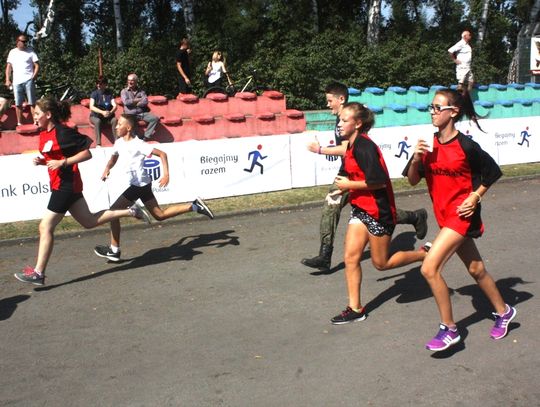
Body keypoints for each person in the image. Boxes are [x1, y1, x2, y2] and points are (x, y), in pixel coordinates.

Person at [404, 89, 516, 351]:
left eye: (437, 108)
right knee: (476, 269)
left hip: (461, 217)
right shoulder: (428, 146)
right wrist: (416, 159)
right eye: (430, 107)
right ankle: (504, 311)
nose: (432, 112)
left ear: (453, 112)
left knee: (429, 268)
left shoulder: (466, 146)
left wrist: (475, 196)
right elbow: (411, 179)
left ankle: (449, 329)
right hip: (444, 217)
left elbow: (492, 172)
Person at [13, 98, 151, 286]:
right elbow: (57, 156)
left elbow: (87, 153)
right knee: (89, 221)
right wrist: (44, 162)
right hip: (63, 185)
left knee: (45, 227)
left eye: (37, 114)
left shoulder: (63, 132)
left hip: (65, 186)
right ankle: (131, 211)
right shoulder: (44, 134)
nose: (34, 118)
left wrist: (63, 163)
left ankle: (38, 273)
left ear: (48, 115)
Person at [301, 82, 428, 272]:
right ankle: (414, 216)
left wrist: (319, 149)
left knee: (344, 207)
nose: (327, 105)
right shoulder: (343, 119)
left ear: (341, 99)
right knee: (340, 207)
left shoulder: (350, 120)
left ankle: (325, 255)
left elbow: (347, 149)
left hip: (351, 174)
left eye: (329, 100)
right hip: (348, 173)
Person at [330, 102, 429, 324]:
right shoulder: (351, 146)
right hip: (360, 210)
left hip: (378, 212)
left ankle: (425, 254)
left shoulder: (365, 147)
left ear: (358, 123)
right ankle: (355, 308)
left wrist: (349, 185)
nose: (339, 123)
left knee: (381, 264)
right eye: (339, 119)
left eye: (345, 120)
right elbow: (348, 174)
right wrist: (339, 191)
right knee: (350, 257)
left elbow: (378, 182)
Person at [93, 114, 215, 262]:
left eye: (119, 124)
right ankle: (194, 206)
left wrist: (166, 174)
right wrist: (107, 168)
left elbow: (162, 154)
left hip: (139, 185)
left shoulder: (138, 144)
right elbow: (114, 157)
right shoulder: (119, 142)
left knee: (113, 212)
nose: (116, 126)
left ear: (129, 128)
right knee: (159, 215)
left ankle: (114, 250)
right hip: (142, 185)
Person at [5, 34, 39, 126]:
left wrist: (34, 76)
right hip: (16, 82)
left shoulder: (30, 51)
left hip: (29, 80)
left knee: (32, 103)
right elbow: (8, 67)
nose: (25, 43)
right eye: (23, 41)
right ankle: (19, 123)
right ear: (18, 42)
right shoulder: (12, 52)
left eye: (26, 41)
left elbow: (37, 65)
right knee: (18, 103)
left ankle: (36, 122)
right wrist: (7, 79)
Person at [120, 73, 160, 140]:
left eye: (132, 80)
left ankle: (146, 136)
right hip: (130, 114)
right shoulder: (124, 91)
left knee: (154, 118)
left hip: (141, 113)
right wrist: (137, 100)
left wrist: (136, 103)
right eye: (128, 80)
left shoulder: (141, 91)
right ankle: (135, 140)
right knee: (133, 126)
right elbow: (126, 102)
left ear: (136, 81)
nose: (130, 82)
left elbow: (145, 101)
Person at [89, 76, 118, 146]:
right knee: (98, 121)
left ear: (105, 84)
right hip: (95, 116)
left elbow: (115, 106)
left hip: (107, 116)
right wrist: (102, 112)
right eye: (97, 83)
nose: (98, 85)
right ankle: (98, 144)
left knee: (115, 120)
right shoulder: (94, 93)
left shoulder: (109, 93)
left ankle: (117, 142)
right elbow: (91, 106)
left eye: (101, 83)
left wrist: (110, 112)